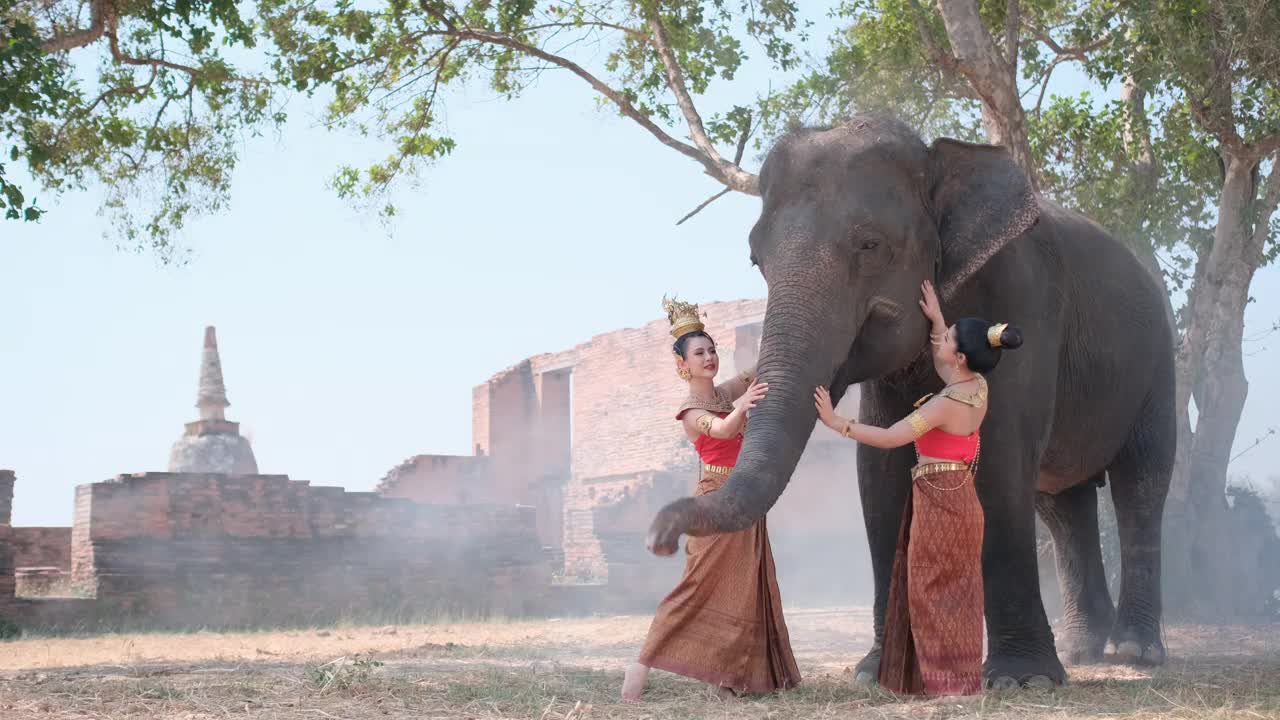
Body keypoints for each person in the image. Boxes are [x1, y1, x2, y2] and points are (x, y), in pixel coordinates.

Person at [813, 280, 1023, 696]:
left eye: (947, 340)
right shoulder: (976, 388)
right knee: (958, 590)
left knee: (927, 589)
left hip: (937, 498)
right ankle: (959, 680)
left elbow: (892, 437)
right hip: (962, 497)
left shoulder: (945, 403)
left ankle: (936, 682)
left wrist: (839, 424)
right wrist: (937, 321)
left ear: (961, 356)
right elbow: (947, 366)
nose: (940, 342)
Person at [621, 296, 802, 702]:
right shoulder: (690, 409)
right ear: (683, 364)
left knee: (742, 587)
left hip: (745, 499)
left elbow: (756, 373)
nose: (710, 357)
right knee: (696, 586)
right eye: (700, 352)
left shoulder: (723, 393)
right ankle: (638, 672)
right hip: (714, 503)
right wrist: (742, 405)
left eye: (712, 349)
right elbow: (720, 431)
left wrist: (783, 334)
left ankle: (726, 682)